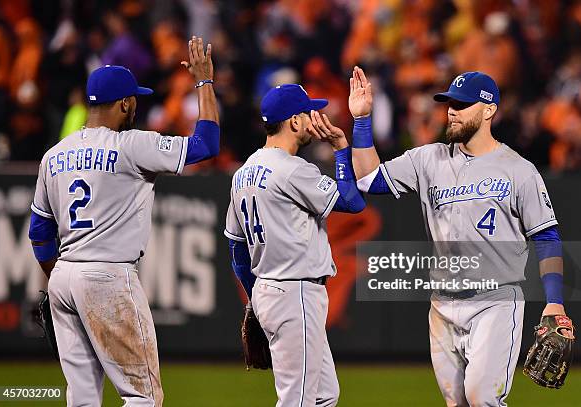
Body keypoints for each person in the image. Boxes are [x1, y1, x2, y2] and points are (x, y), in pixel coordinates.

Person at [349, 68, 572, 406]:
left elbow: (546, 236)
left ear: (488, 110)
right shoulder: (428, 158)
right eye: (450, 102)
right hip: (442, 305)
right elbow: (368, 180)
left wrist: (554, 301)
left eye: (462, 104)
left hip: (495, 301)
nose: (451, 110)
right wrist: (362, 120)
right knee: (458, 404)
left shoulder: (518, 170)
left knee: (482, 398)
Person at [28, 36, 219, 407]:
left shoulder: (54, 155)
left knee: (81, 398)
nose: (136, 107)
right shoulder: (130, 145)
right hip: (109, 277)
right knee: (142, 396)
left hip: (64, 278)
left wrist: (60, 277)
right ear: (126, 103)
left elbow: (39, 233)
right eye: (135, 100)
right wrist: (204, 83)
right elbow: (206, 145)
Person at [225, 83, 366, 407]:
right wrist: (341, 147)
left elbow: (236, 249)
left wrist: (253, 302)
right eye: (307, 112)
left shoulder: (243, 173)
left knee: (324, 394)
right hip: (294, 294)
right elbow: (353, 201)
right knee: (298, 400)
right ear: (294, 122)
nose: (314, 117)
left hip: (270, 291)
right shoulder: (292, 169)